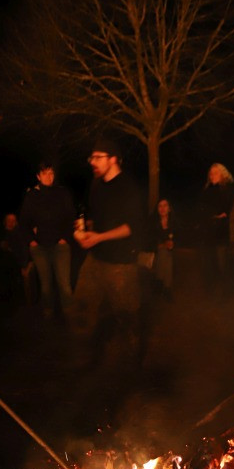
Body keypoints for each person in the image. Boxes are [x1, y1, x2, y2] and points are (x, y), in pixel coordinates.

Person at [70, 138, 146, 367]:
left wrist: (99, 237)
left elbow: (130, 227)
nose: (92, 162)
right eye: (91, 157)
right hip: (95, 259)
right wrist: (83, 231)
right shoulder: (96, 185)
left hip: (120, 263)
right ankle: (88, 355)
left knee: (126, 316)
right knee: (82, 305)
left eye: (97, 157)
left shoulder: (128, 188)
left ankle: (132, 362)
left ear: (113, 159)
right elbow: (97, 219)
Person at [19, 161, 76, 319]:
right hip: (40, 246)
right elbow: (24, 221)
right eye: (44, 173)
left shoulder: (62, 193)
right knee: (45, 283)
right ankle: (48, 312)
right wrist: (32, 241)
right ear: (38, 176)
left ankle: (69, 312)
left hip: (60, 245)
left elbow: (71, 216)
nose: (48, 177)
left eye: (51, 173)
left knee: (64, 282)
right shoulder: (32, 196)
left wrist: (65, 238)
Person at [196, 163, 234, 296]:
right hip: (207, 232)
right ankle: (210, 290)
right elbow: (201, 209)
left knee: (222, 263)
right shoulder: (207, 190)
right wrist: (211, 214)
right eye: (211, 173)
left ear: (223, 174)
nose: (212, 176)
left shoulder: (228, 190)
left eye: (216, 173)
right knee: (208, 263)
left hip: (221, 232)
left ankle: (226, 292)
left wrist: (217, 214)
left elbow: (225, 210)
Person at [151, 198, 176, 298]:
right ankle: (167, 288)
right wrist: (160, 245)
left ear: (169, 208)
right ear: (157, 209)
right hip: (154, 250)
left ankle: (159, 283)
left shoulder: (173, 222)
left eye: (165, 205)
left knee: (166, 253)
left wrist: (173, 243)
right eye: (160, 206)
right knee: (164, 252)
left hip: (167, 251)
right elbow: (148, 240)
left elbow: (178, 237)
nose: (162, 208)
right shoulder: (152, 222)